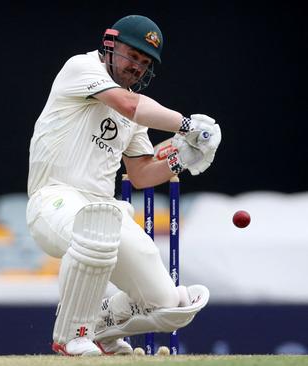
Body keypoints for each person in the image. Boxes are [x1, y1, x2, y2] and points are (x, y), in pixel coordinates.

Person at [26, 15, 221, 356]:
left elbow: (143, 174)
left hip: (101, 211)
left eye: (145, 63)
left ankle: (101, 326)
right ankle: (71, 335)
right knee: (97, 226)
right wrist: (189, 126)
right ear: (110, 45)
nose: (137, 67)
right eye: (133, 56)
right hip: (52, 201)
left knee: (170, 306)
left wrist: (183, 159)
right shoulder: (81, 68)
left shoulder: (134, 117)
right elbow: (131, 105)